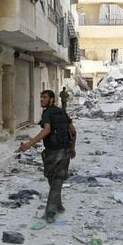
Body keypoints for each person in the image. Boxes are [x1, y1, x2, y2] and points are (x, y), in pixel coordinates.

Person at [19, 90, 77, 223]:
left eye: (45, 97)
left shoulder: (47, 113)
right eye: (41, 97)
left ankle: (50, 212)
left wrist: (28, 144)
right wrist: (72, 148)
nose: (42, 100)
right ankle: (58, 205)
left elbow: (46, 130)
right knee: (55, 180)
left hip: (53, 152)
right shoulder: (62, 112)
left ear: (51, 99)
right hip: (65, 151)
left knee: (55, 180)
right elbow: (73, 132)